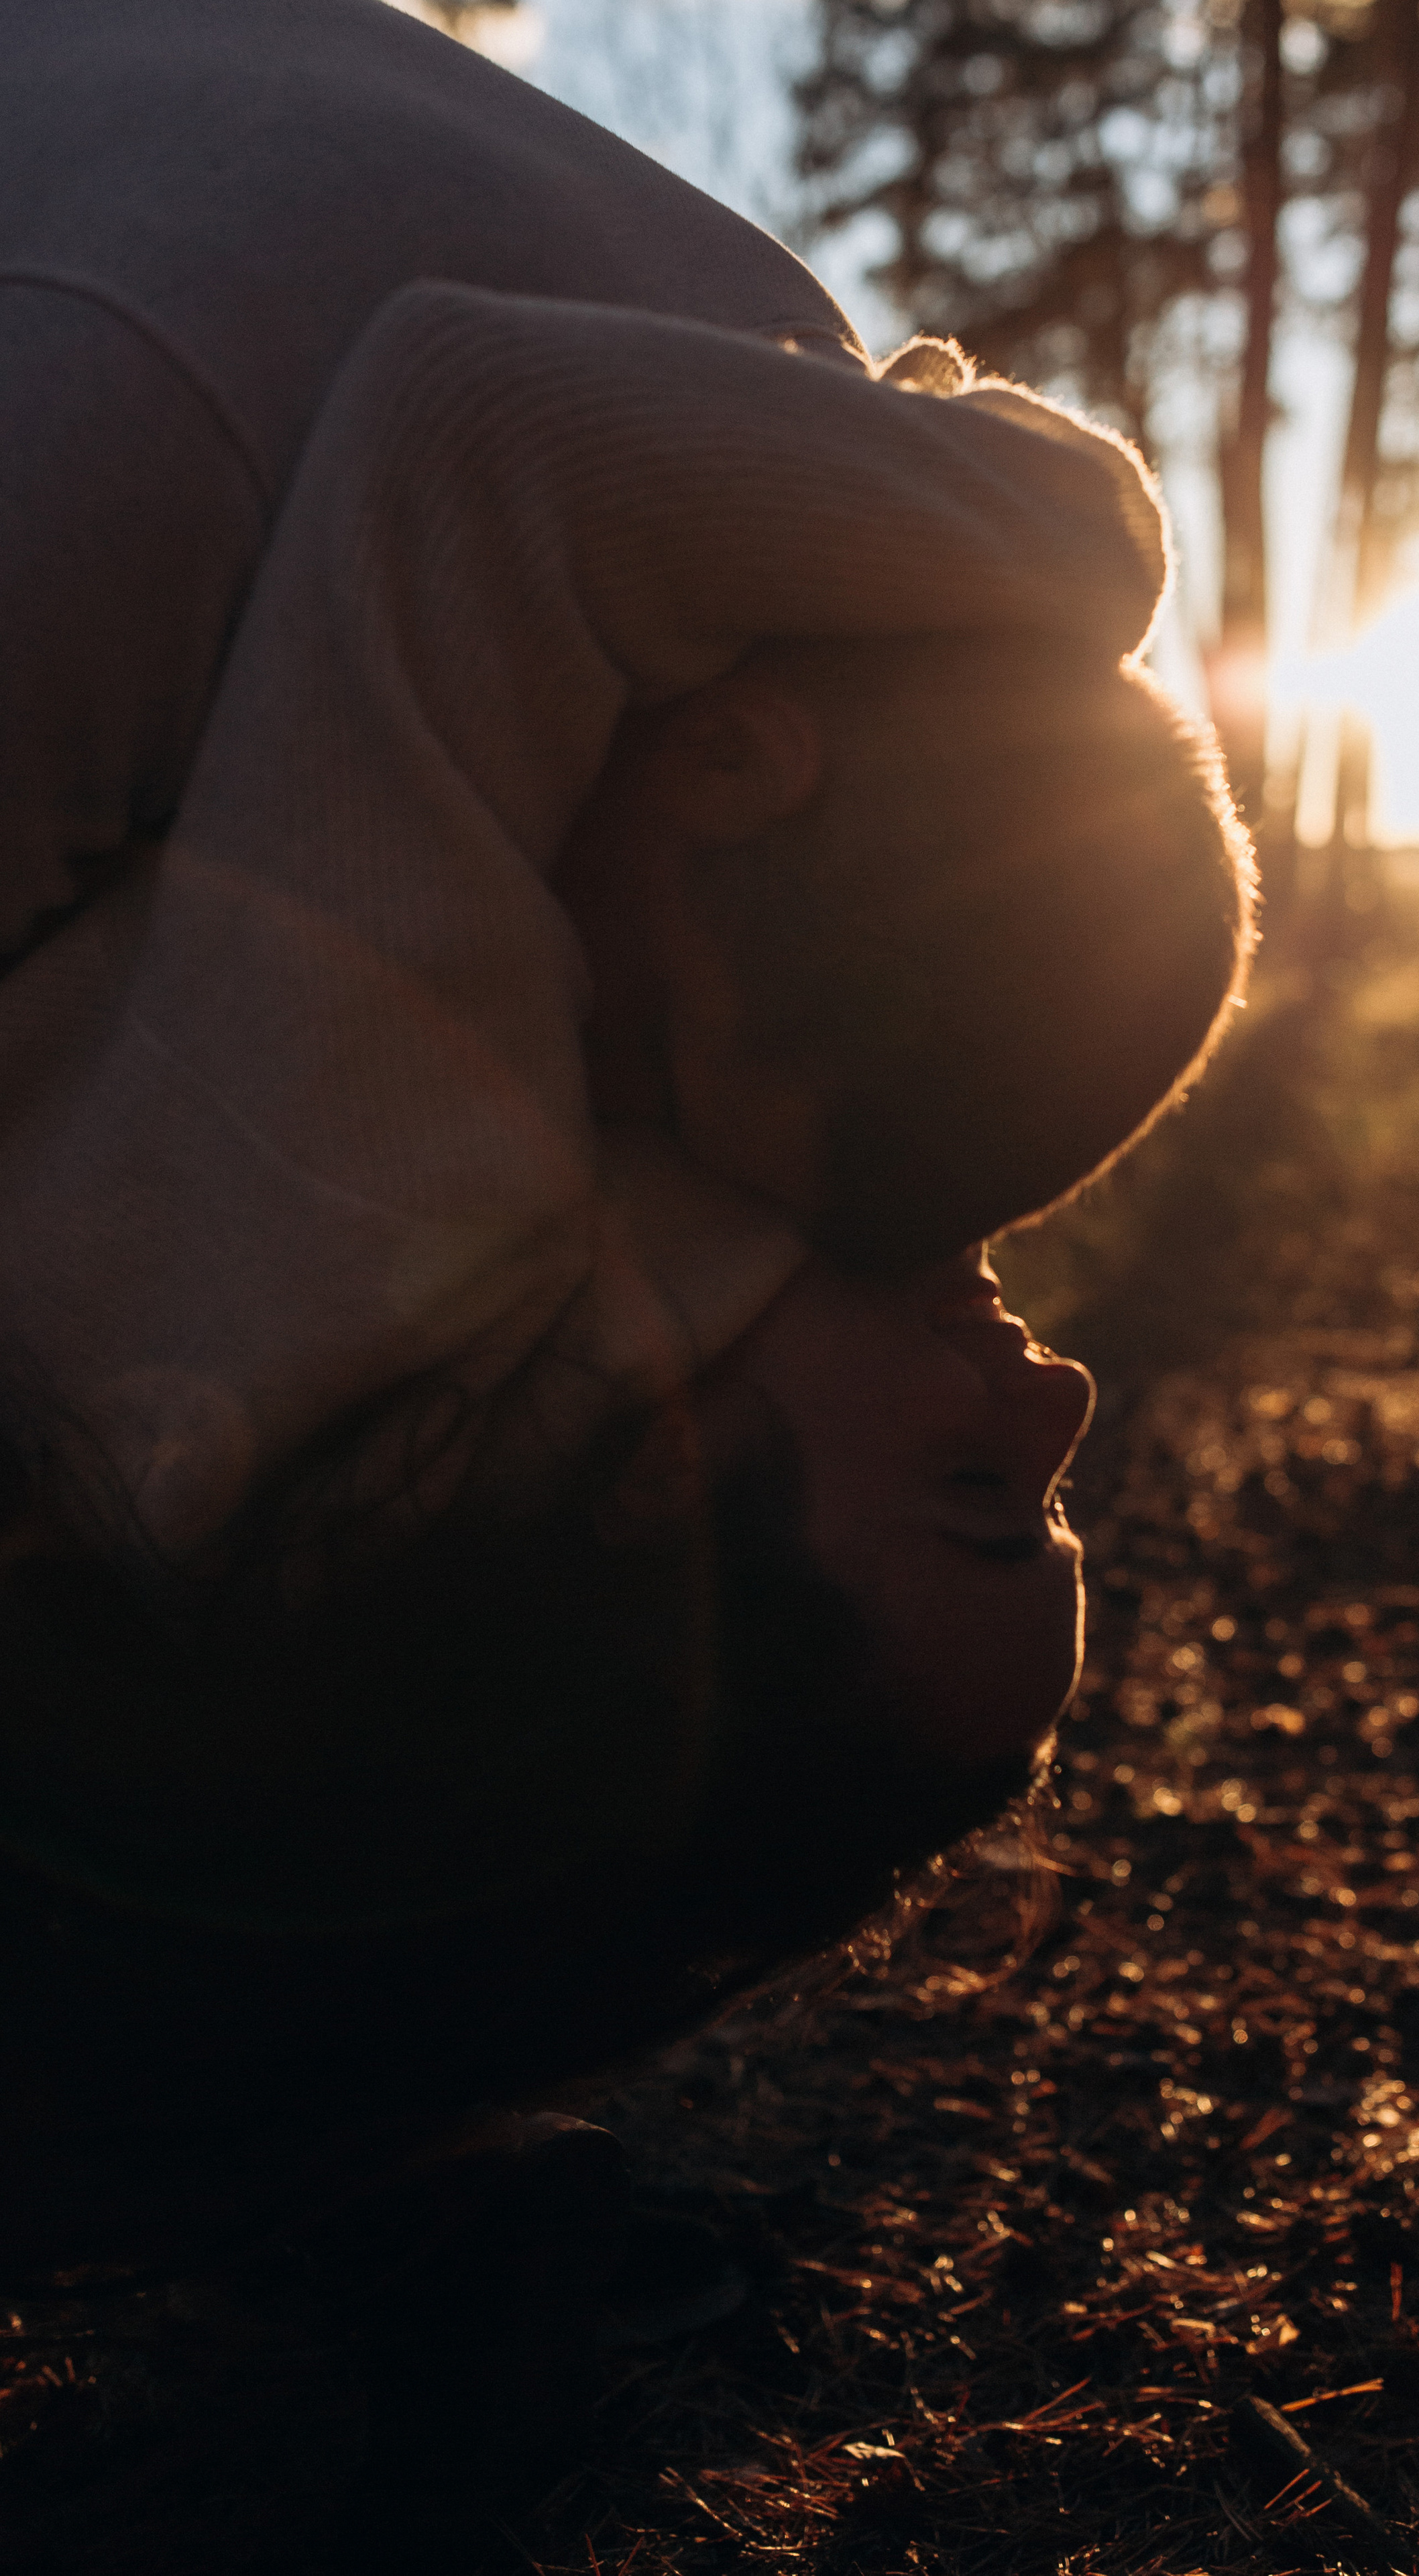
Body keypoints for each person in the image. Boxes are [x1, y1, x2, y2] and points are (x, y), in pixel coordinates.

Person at [0, 0, 1255, 2292]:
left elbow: (479, 428)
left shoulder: (362, 1257)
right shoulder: (376, 1389)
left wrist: (1068, 529)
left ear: (659, 1497)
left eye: (993, 1496)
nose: (1067, 1390)